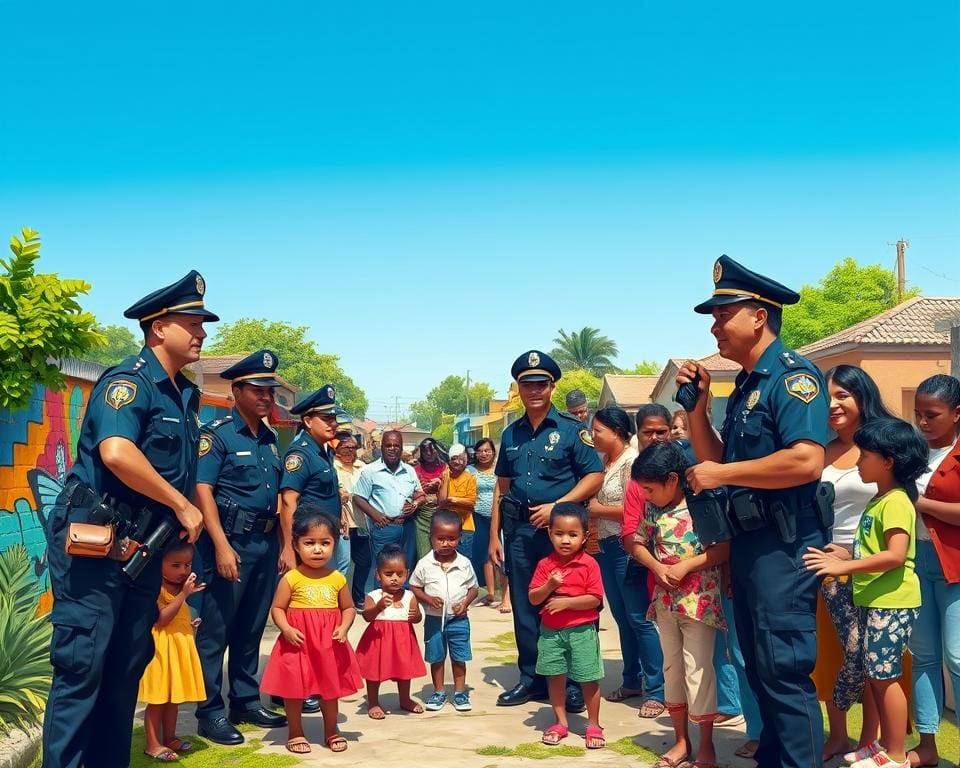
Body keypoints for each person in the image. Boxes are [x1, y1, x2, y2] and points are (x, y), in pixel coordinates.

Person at [42, 270, 212, 768]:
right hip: (96, 549)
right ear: (158, 327)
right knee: (82, 671)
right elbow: (116, 452)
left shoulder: (184, 394)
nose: (201, 333)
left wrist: (180, 509)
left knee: (125, 672)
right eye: (192, 322)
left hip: (141, 552)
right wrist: (181, 504)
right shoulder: (127, 383)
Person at [679, 255, 829, 768]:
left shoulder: (793, 379)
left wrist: (720, 475)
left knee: (784, 672)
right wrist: (696, 411)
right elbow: (716, 460)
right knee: (762, 671)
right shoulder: (745, 385)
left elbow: (807, 460)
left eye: (724, 315)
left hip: (783, 548)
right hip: (749, 546)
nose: (716, 326)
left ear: (759, 315)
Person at [804, 418, 928, 768]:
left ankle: (897, 755)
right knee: (877, 674)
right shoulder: (880, 498)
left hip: (893, 602)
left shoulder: (896, 502)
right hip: (875, 601)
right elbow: (876, 550)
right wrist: (846, 555)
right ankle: (880, 747)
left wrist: (845, 568)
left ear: (888, 461)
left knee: (886, 678)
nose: (857, 461)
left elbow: (895, 555)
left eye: (866, 455)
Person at [489, 350, 604, 711]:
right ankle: (532, 677)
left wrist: (559, 506)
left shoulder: (572, 431)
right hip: (520, 530)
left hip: (562, 536)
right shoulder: (510, 434)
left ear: (552, 387)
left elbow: (595, 475)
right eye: (528, 385)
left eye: (541, 384)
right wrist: (494, 536)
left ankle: (572, 681)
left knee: (566, 602)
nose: (535, 390)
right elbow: (502, 487)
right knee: (525, 603)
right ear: (519, 389)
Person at [193, 349, 288, 744]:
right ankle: (210, 711)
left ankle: (245, 700)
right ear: (236, 391)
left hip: (265, 545)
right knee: (217, 630)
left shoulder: (269, 438)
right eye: (258, 390)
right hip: (230, 543)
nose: (267, 397)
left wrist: (284, 546)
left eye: (271, 390)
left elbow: (278, 496)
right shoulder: (217, 436)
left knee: (251, 627)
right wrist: (220, 545)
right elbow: (202, 491)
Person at [813, 366, 895, 761]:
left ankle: (870, 737)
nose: (833, 405)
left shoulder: (887, 441)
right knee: (836, 652)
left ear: (862, 395)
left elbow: (901, 507)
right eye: (826, 396)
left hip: (878, 565)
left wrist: (856, 554)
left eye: (842, 394)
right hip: (829, 568)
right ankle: (838, 734)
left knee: (871, 652)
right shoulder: (820, 449)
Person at [632, 441, 728, 767]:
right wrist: (657, 567)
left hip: (699, 604)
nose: (645, 495)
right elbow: (637, 543)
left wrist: (687, 565)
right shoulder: (652, 510)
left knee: (698, 671)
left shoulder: (703, 504)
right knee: (672, 670)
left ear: (672, 480)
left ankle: (707, 745)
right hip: (665, 605)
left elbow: (722, 549)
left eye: (649, 489)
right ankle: (680, 741)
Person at [259, 506, 362, 755]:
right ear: (296, 545)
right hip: (297, 643)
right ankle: (295, 731)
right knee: (293, 689)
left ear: (334, 545)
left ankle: (332, 730)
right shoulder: (292, 578)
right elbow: (278, 608)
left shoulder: (337, 578)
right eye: (309, 543)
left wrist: (344, 627)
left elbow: (348, 608)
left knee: (329, 689)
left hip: (328, 645)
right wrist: (286, 629)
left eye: (325, 543)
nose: (317, 549)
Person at [907, 374, 960, 768]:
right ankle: (927, 744)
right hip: (915, 562)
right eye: (918, 414)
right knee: (923, 655)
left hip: (955, 567)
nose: (923, 422)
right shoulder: (912, 454)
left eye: (932, 415)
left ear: (957, 413)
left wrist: (922, 504)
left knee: (957, 658)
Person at [529, 503, 606, 749]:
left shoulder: (589, 564)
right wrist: (549, 586)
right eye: (559, 533)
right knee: (555, 676)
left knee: (588, 677)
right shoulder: (544, 565)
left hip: (582, 631)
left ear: (585, 536)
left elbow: (594, 599)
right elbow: (533, 598)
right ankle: (560, 722)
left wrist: (567, 603)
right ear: (550, 533)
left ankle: (593, 724)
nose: (565, 540)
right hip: (551, 632)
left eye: (573, 535)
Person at [585, 407, 645, 702]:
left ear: (617, 432)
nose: (593, 436)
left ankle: (657, 687)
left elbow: (638, 509)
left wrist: (598, 510)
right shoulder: (604, 463)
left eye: (598, 430)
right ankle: (632, 678)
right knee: (622, 616)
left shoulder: (631, 463)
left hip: (627, 547)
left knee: (639, 617)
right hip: (606, 547)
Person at [620, 404, 670, 718]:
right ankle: (655, 689)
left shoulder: (687, 467)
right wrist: (654, 564)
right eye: (647, 432)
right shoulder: (638, 475)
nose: (653, 438)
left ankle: (666, 693)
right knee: (639, 621)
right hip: (643, 561)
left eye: (660, 432)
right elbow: (631, 530)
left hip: (687, 567)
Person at [138, 541, 207, 762]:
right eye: (176, 565)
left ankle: (169, 737)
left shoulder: (179, 589)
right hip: (161, 651)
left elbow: (178, 616)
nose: (183, 571)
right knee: (158, 700)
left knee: (173, 700)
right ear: (160, 563)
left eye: (187, 565)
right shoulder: (156, 587)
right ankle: (152, 743)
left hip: (178, 648)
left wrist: (190, 623)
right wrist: (184, 595)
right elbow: (161, 619)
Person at [410, 510, 479, 711]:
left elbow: (473, 588)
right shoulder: (424, 564)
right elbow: (414, 586)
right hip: (433, 620)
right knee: (437, 657)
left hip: (458, 620)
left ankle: (460, 693)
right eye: (441, 539)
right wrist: (428, 599)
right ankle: (439, 692)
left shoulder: (464, 563)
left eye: (452, 539)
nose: (446, 543)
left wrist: (464, 604)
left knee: (459, 657)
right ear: (431, 537)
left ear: (459, 538)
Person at [279, 385, 350, 578]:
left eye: (334, 418)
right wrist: (288, 548)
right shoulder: (301, 454)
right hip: (308, 544)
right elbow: (288, 502)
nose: (333, 424)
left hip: (324, 537)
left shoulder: (322, 450)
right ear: (308, 421)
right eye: (326, 419)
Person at [355, 544, 426, 718]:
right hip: (378, 641)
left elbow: (416, 619)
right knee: (374, 672)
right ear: (378, 574)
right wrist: (378, 607)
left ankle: (404, 699)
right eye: (388, 574)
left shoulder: (410, 596)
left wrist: (416, 614)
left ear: (407, 574)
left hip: (403, 641)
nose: (394, 578)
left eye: (399, 574)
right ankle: (373, 702)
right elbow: (367, 617)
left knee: (404, 671)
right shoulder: (374, 595)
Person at [353, 429, 423, 570]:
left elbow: (420, 494)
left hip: (407, 526)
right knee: (384, 571)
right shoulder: (370, 471)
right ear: (382, 447)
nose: (392, 449)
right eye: (388, 445)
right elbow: (358, 497)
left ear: (401, 448)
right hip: (385, 528)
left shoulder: (409, 470)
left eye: (396, 445)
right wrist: (376, 515)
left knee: (405, 569)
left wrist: (415, 504)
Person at [468, 438, 510, 611]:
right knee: (485, 556)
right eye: (480, 451)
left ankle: (506, 598)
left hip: (501, 517)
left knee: (502, 557)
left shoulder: (501, 469)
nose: (484, 454)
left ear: (493, 452)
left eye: (487, 450)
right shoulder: (470, 470)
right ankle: (491, 594)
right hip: (479, 517)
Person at [334, 431, 372, 610]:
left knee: (365, 562)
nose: (351, 451)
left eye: (353, 447)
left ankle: (358, 597)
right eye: (346, 447)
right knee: (344, 562)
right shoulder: (331, 466)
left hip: (362, 522)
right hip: (343, 523)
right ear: (336, 449)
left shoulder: (362, 467)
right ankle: (337, 600)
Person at [438, 443, 478, 557]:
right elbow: (441, 502)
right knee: (446, 560)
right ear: (449, 460)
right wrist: (445, 477)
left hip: (465, 527)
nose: (458, 462)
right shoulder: (445, 476)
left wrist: (454, 501)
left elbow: (471, 504)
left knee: (463, 562)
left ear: (466, 458)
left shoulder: (470, 478)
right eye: (454, 458)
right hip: (446, 526)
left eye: (462, 458)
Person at [414, 437, 447, 559]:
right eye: (424, 451)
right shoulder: (415, 470)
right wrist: (422, 491)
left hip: (441, 515)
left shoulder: (446, 468)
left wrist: (440, 483)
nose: (428, 454)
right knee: (423, 555)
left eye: (431, 450)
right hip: (421, 518)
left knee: (441, 552)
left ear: (437, 450)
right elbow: (411, 492)